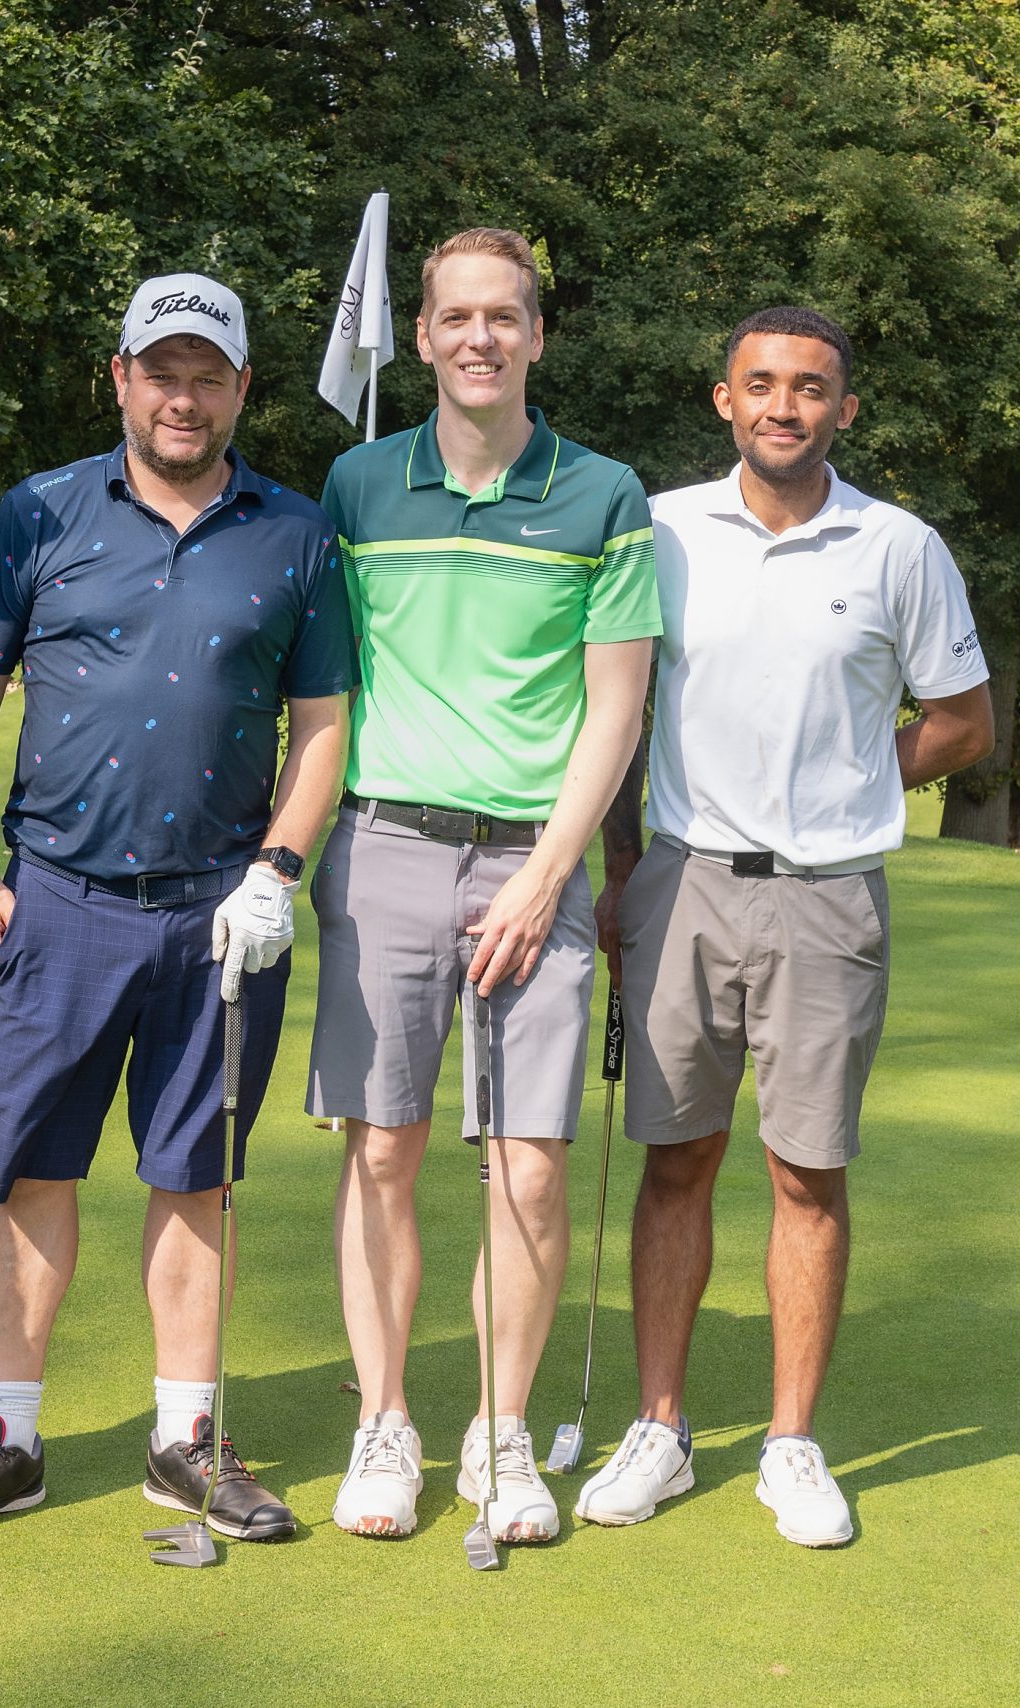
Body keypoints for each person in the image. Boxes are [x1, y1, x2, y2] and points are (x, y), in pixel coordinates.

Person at [0, 273, 351, 1543]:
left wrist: (279, 871)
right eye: (161, 373)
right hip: (59, 898)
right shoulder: (40, 511)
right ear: (120, 379)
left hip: (221, 910)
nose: (181, 398)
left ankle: (182, 1438)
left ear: (241, 388)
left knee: (195, 1176)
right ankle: (11, 1439)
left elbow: (322, 720)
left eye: (207, 376)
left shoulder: (296, 531)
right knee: (33, 1166)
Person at [576, 306, 994, 1546]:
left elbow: (963, 723)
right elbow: (616, 714)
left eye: (809, 388)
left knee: (806, 1173)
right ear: (724, 399)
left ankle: (790, 1443)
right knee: (676, 1160)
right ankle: (659, 1427)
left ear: (843, 409)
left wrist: (857, 779)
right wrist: (620, 866)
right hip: (682, 880)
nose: (783, 406)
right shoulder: (657, 528)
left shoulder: (899, 546)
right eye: (759, 384)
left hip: (827, 893)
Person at [307, 228, 659, 1545]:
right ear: (420, 334)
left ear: (537, 335)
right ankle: (384, 1422)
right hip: (384, 845)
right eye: (455, 316)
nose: (479, 338)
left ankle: (500, 1433)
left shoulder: (602, 494)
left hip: (534, 857)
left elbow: (614, 710)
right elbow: (323, 686)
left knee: (530, 1164)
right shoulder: (356, 484)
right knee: (381, 1149)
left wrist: (549, 873)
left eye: (503, 316)